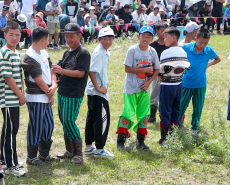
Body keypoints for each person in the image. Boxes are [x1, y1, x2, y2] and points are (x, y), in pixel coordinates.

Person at [53, 23, 92, 163]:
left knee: (70, 121)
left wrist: (61, 71)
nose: (69, 39)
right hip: (62, 91)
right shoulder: (67, 52)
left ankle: (78, 154)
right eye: (67, 36)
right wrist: (57, 68)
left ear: (79, 36)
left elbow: (81, 73)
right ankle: (69, 150)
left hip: (74, 93)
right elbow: (62, 68)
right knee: (64, 121)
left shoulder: (83, 53)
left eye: (72, 37)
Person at [117, 26, 160, 151]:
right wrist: (144, 70)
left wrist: (149, 83)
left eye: (148, 37)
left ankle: (141, 141)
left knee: (144, 114)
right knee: (127, 113)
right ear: (138, 37)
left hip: (145, 89)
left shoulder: (152, 51)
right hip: (131, 88)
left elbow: (157, 69)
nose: (145, 39)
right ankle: (121, 141)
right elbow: (127, 68)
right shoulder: (133, 50)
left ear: (152, 38)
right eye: (143, 36)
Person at [0, 20, 25, 175]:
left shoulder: (15, 52)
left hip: (14, 98)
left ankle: (5, 160)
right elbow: (8, 77)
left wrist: (22, 93)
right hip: (7, 98)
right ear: (5, 35)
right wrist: (20, 95)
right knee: (11, 129)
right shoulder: (5, 52)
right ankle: (11, 165)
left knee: (10, 129)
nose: (14, 38)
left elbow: (18, 76)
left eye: (17, 35)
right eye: (11, 35)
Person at [22, 27, 56, 164]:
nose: (48, 42)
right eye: (47, 40)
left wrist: (53, 87)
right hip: (36, 96)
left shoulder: (44, 53)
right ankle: (31, 156)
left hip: (46, 94)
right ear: (43, 39)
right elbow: (39, 80)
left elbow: (52, 70)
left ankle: (44, 154)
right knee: (35, 126)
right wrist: (50, 93)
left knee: (49, 124)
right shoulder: (29, 57)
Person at [180, 27, 220, 133]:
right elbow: (178, 58)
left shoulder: (208, 50)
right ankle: (177, 125)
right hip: (186, 82)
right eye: (201, 42)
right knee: (181, 105)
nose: (203, 45)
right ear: (195, 38)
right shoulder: (186, 47)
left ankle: (195, 128)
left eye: (205, 43)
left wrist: (208, 64)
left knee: (198, 107)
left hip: (200, 84)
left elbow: (218, 59)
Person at [83, 26, 114, 156]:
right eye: (104, 39)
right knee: (102, 119)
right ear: (99, 39)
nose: (107, 42)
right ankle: (100, 149)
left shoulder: (104, 51)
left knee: (92, 118)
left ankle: (89, 146)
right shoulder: (99, 52)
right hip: (97, 92)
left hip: (94, 91)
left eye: (110, 39)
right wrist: (98, 88)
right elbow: (92, 71)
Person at [154, 27, 185, 143]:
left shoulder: (165, 53)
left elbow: (161, 70)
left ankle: (164, 137)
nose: (164, 38)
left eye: (166, 37)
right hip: (179, 84)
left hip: (167, 85)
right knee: (176, 109)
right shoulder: (183, 51)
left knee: (164, 110)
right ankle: (173, 134)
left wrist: (160, 80)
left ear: (174, 38)